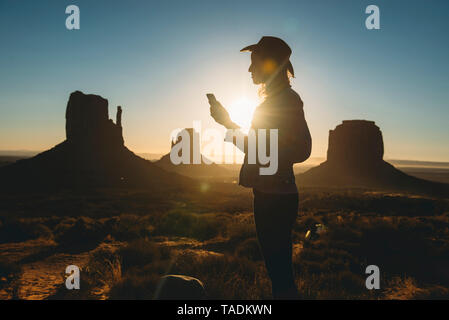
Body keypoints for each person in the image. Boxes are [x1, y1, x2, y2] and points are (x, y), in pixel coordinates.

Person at [208, 36, 312, 299]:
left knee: (281, 278)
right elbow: (258, 148)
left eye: (254, 63)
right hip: (272, 195)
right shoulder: (276, 100)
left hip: (275, 198)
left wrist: (229, 125)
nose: (249, 69)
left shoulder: (285, 100)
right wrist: (228, 123)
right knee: (279, 275)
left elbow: (302, 148)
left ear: (269, 65)